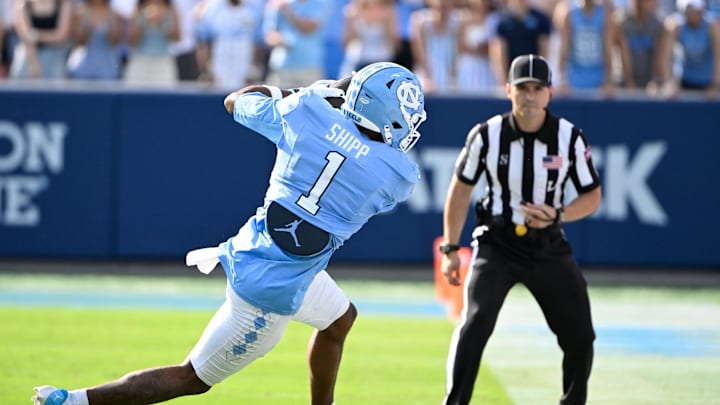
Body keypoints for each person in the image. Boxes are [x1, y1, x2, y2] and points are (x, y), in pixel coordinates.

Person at [32, 61, 427, 405]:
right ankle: (73, 402)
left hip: (270, 256)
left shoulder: (306, 113)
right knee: (191, 378)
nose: (409, 124)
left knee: (340, 319)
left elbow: (236, 100)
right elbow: (359, 154)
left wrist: (308, 94)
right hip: (271, 290)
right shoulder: (396, 176)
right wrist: (330, 103)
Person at [439, 54, 601, 405]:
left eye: (537, 88)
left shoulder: (569, 137)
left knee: (580, 336)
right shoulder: (486, 135)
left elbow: (592, 195)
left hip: (549, 246)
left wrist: (557, 215)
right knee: (476, 323)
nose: (530, 96)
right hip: (497, 244)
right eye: (523, 88)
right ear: (508, 90)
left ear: (549, 94)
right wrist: (451, 249)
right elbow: (461, 188)